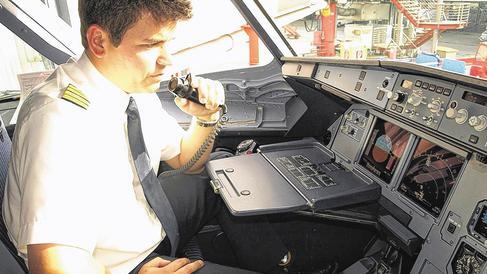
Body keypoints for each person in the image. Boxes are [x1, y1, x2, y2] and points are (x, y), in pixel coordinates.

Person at [2, 0, 291, 273]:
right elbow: (52, 265)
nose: (167, 60)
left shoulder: (130, 88)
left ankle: (282, 262)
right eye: (152, 44)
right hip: (110, 265)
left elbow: (183, 161)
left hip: (144, 218)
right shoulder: (60, 122)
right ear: (99, 41)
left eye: (167, 42)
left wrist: (205, 118)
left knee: (223, 171)